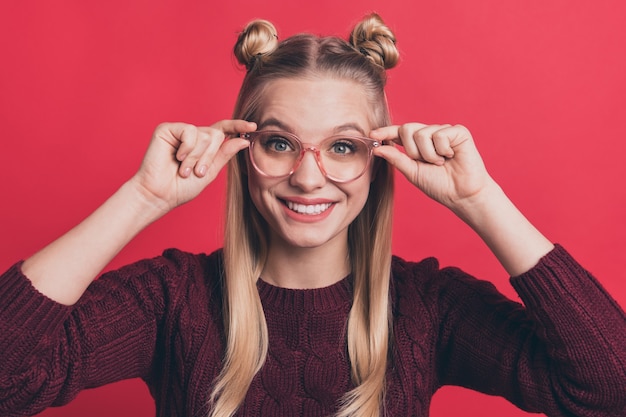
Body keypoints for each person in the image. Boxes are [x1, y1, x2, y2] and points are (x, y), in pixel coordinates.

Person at [0, 13, 624, 417]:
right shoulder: (173, 298)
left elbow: (608, 387)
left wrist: (480, 200)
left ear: (379, 159)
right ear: (244, 153)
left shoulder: (428, 307)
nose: (307, 175)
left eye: (343, 147)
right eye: (279, 143)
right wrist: (142, 198)